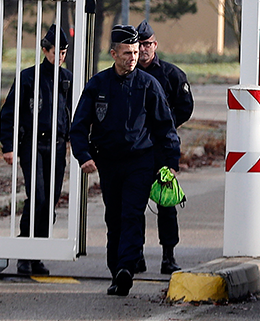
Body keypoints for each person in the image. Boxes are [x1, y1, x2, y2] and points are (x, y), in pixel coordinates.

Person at [70, 24, 180, 296]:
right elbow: (79, 126)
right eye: (127, 52)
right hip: (108, 162)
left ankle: (126, 269)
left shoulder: (148, 85)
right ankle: (116, 268)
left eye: (135, 51)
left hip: (140, 162)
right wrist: (84, 156)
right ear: (113, 53)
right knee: (114, 217)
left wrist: (171, 161)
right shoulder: (98, 85)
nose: (133, 57)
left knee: (132, 214)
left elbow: (165, 127)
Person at [0, 24, 73, 276]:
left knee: (50, 202)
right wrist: (8, 146)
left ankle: (38, 254)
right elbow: (10, 113)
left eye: (64, 52)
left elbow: (74, 112)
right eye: (56, 52)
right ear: (45, 50)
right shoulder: (29, 77)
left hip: (58, 145)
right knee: (38, 198)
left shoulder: (67, 79)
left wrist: (74, 140)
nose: (60, 57)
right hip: (33, 144)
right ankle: (25, 253)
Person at [136, 19, 194, 274]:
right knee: (134, 205)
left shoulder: (172, 74)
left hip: (161, 149)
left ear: (155, 45)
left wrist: (166, 126)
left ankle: (168, 256)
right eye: (139, 44)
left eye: (147, 44)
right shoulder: (127, 73)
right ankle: (135, 254)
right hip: (136, 150)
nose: (143, 49)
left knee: (166, 205)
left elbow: (185, 107)